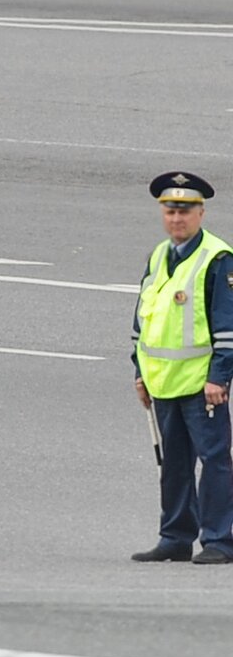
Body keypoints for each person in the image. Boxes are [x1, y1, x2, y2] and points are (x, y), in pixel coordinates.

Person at [131, 171, 233, 563]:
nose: (177, 219)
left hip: (201, 384)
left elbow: (227, 326)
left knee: (214, 461)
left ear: (201, 213)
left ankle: (220, 541)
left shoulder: (217, 259)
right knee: (173, 464)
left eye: (185, 211)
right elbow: (144, 319)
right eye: (171, 211)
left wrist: (219, 377)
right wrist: (139, 371)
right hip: (162, 382)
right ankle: (175, 537)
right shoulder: (159, 256)